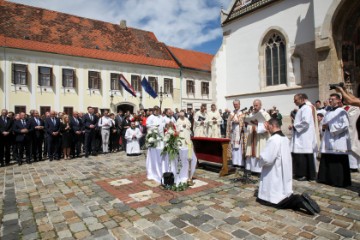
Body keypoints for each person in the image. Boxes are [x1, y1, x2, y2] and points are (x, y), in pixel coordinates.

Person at [257, 118, 320, 215]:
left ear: (272, 126)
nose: (267, 129)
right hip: (283, 170)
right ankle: (299, 199)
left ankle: (299, 200)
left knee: (274, 201)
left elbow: (267, 159)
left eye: (268, 126)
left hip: (274, 172)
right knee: (282, 192)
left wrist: (260, 158)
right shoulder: (285, 138)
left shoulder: (273, 139)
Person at [318, 93, 351, 187]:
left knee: (337, 159)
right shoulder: (328, 112)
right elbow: (323, 124)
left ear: (338, 100)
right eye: (330, 99)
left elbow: (345, 125)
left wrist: (330, 127)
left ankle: (338, 180)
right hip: (328, 139)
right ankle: (327, 179)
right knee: (328, 158)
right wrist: (323, 127)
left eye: (332, 99)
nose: (330, 100)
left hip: (338, 140)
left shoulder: (342, 111)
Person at [289, 94, 317, 181]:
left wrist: (294, 126)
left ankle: (305, 174)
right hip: (300, 135)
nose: (294, 102)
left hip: (305, 136)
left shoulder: (306, 109)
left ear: (302, 99)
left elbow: (305, 122)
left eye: (296, 100)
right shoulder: (301, 109)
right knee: (299, 155)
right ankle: (299, 173)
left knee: (304, 156)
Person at [244, 99, 271, 175]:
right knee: (250, 150)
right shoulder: (251, 114)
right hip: (252, 134)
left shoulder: (265, 114)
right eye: (254, 105)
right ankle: (250, 168)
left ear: (260, 105)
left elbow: (268, 126)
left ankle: (259, 170)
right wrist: (247, 123)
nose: (255, 107)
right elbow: (249, 123)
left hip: (260, 137)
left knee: (260, 150)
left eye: (256, 105)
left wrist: (258, 124)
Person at [226, 100, 245, 168]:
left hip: (240, 133)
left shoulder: (242, 112)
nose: (235, 105)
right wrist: (231, 122)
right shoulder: (232, 113)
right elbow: (228, 122)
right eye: (234, 104)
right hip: (233, 132)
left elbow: (244, 121)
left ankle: (240, 163)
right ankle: (234, 162)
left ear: (239, 104)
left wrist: (239, 121)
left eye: (237, 104)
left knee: (239, 148)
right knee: (234, 147)